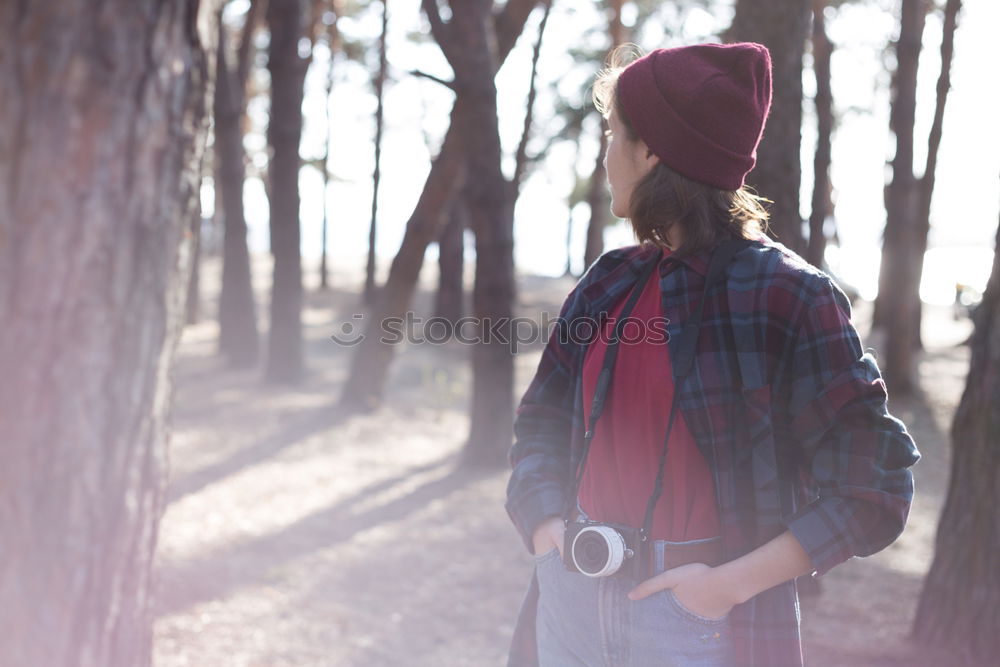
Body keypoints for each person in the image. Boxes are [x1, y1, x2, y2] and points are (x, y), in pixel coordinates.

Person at [504, 42, 920, 667]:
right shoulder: (607, 281)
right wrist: (546, 531)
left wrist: (725, 587)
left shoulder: (789, 295)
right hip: (571, 595)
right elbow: (539, 423)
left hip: (699, 622)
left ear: (652, 153)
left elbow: (875, 485)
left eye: (614, 135)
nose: (606, 155)